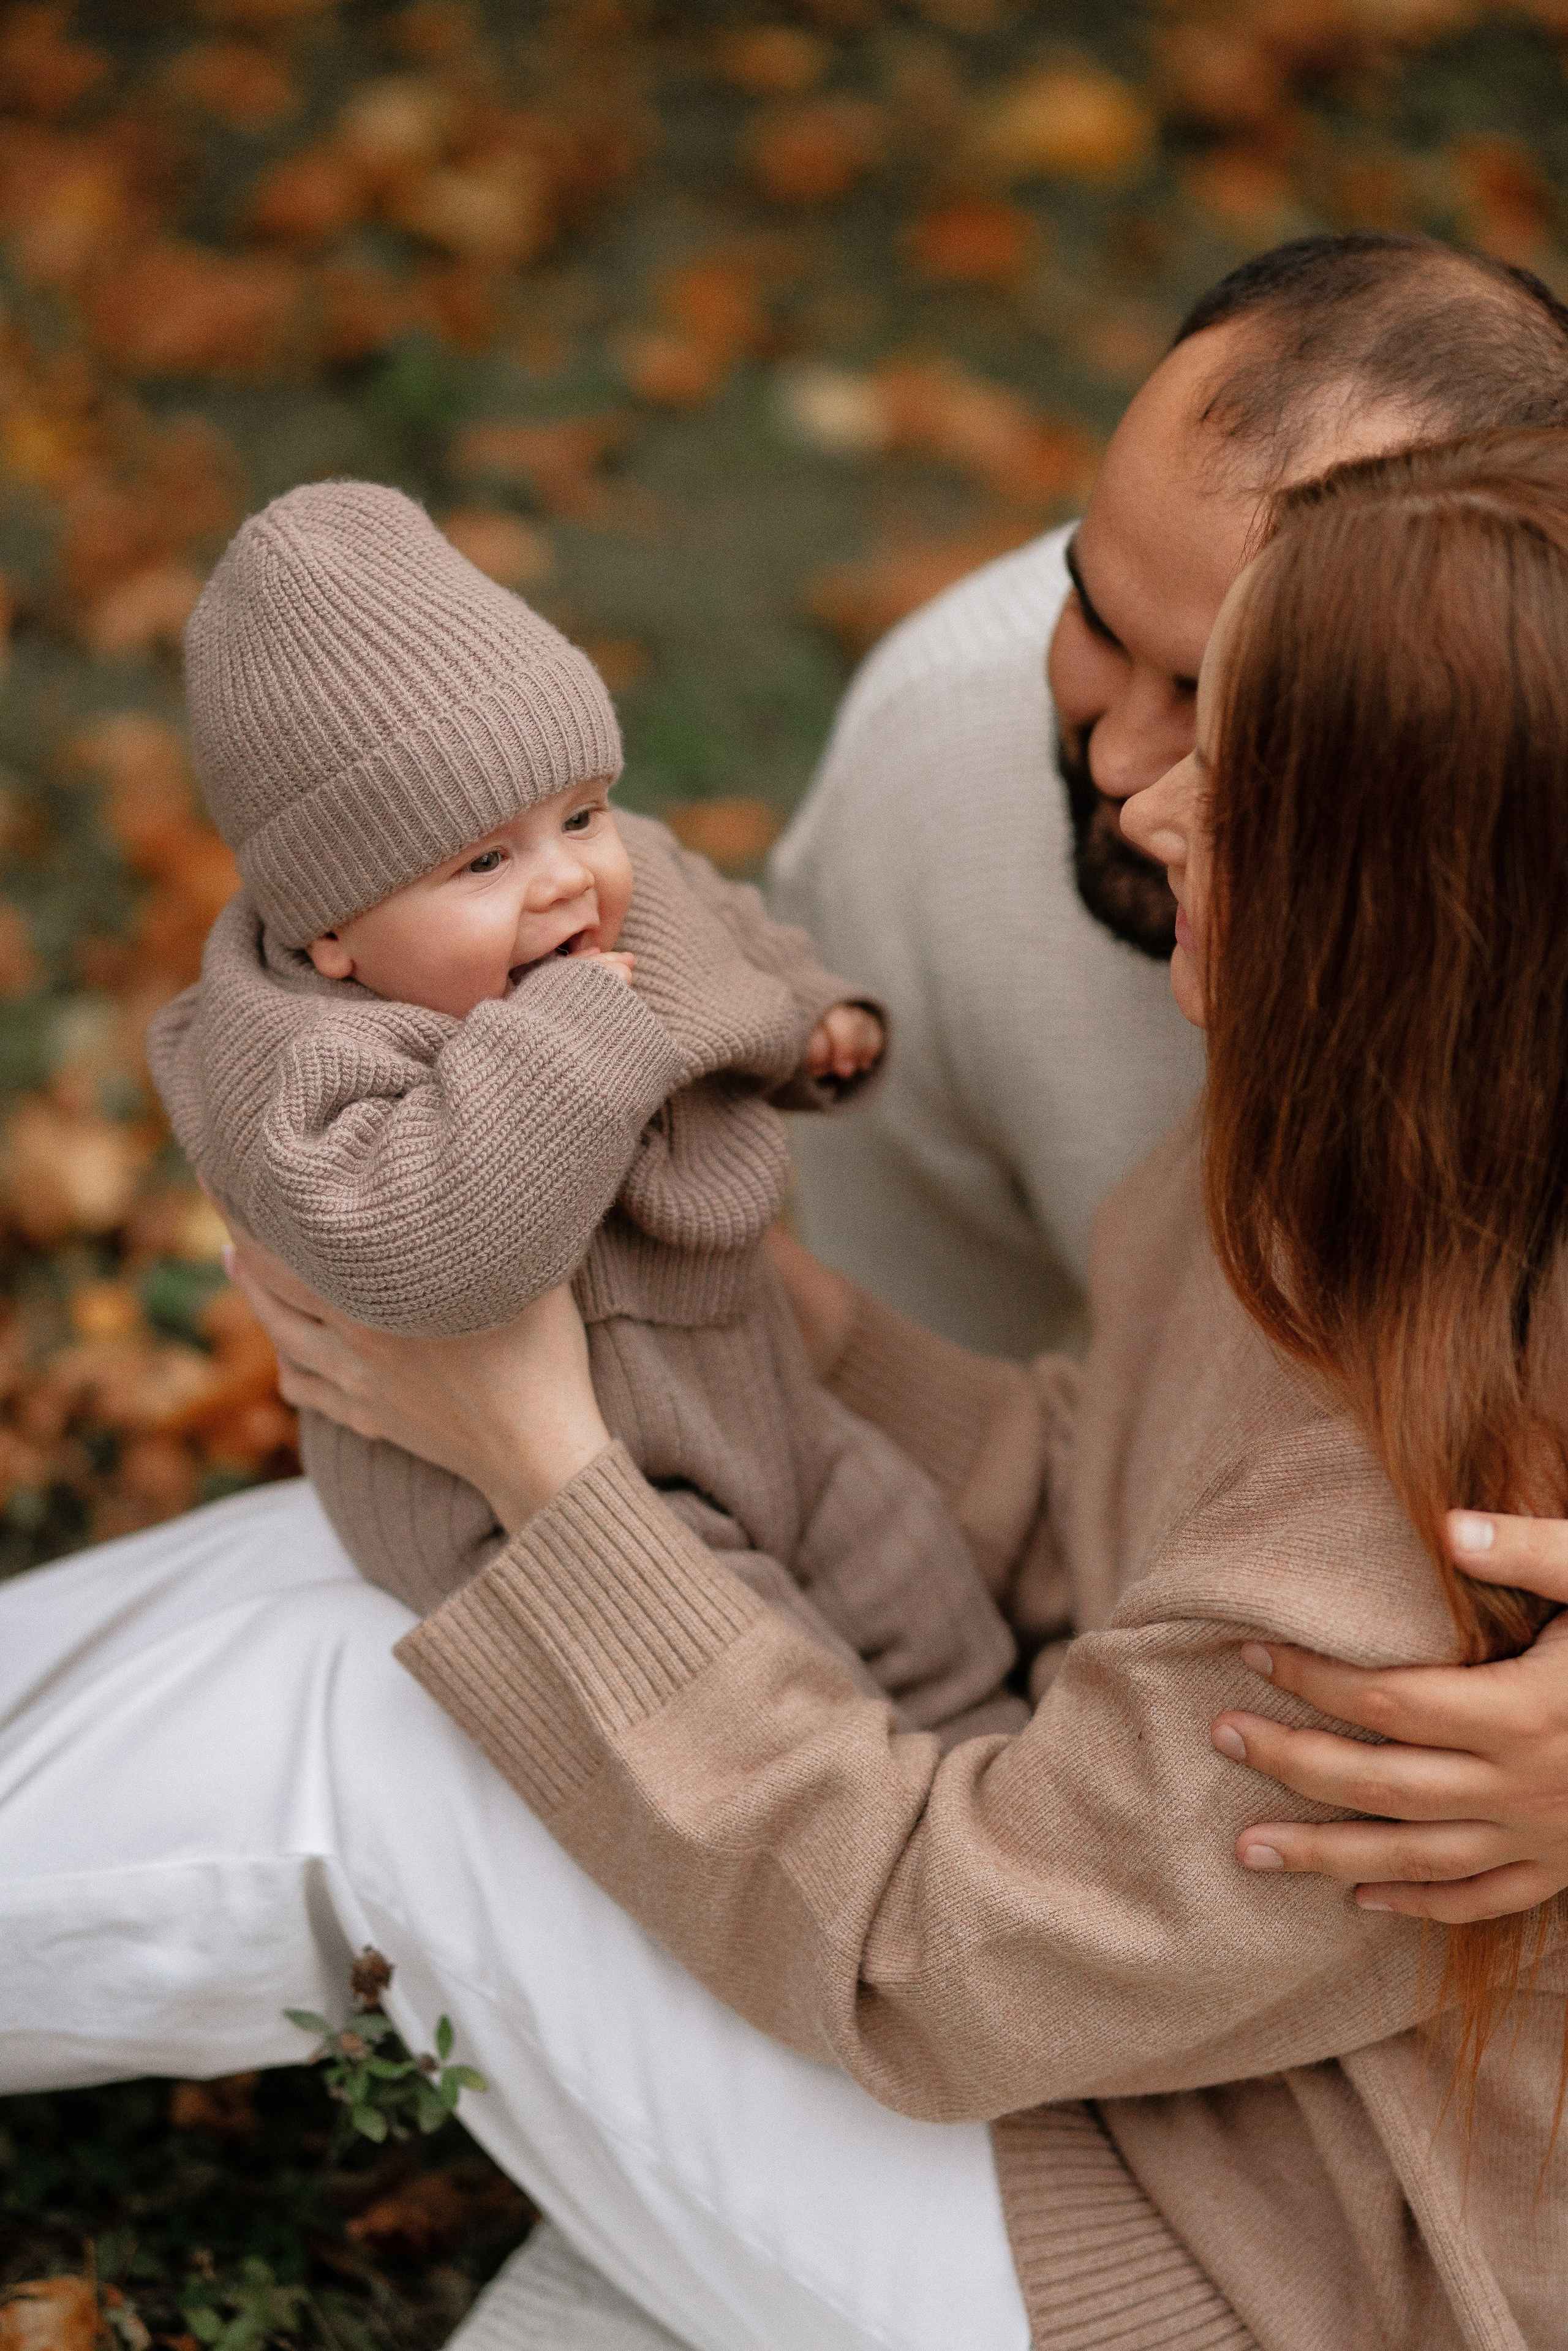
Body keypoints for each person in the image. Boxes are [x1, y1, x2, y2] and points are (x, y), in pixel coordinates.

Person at [197, 426, 1568, 2348]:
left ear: (1404, 905)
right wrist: (777, 1332)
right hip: (1156, 2075)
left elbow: (944, 1953)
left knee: (365, 1719)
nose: (1143, 802)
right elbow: (1128, 1503)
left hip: (1222, 2259)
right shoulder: (1368, 1176)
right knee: (326, 1587)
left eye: (1231, 782)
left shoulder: (1414, 1547)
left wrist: (546, 1465)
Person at [772, 224, 1568, 1920]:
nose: (1127, 769)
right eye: (1090, 610)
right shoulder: (941, 767)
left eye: (1216, 695)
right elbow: (940, 1424)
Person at [150, 480, 1017, 1738]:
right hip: (526, 1500)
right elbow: (425, 1244)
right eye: (483, 863)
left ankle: (982, 1733)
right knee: (773, 1675)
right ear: (330, 931)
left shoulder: (603, 882)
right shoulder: (295, 1064)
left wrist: (805, 1006)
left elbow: (701, 910)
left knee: (902, 1553)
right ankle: (872, 1812)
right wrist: (566, 1037)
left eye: (581, 813)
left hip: (746, 1390)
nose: (566, 879)